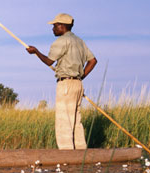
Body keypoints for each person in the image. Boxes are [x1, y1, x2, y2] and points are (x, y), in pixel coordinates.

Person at [25, 13, 97, 150]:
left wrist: (36, 52)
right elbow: (93, 61)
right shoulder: (79, 41)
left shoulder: (61, 41)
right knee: (76, 120)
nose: (52, 29)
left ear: (62, 26)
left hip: (66, 85)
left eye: (54, 26)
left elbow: (49, 61)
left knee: (64, 120)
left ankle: (66, 153)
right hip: (78, 84)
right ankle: (81, 151)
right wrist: (80, 77)